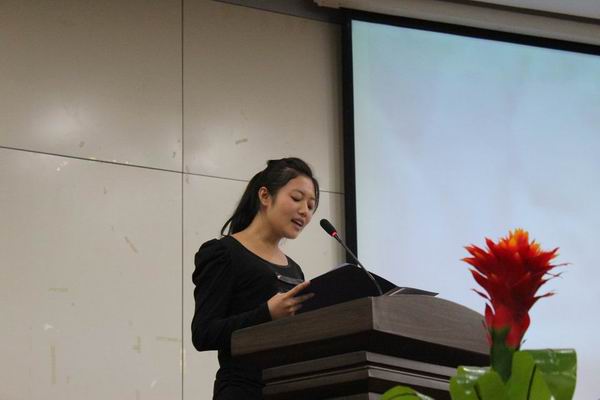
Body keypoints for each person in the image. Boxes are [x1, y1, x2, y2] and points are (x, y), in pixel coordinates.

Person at [191, 157, 319, 399]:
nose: (305, 211)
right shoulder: (224, 253)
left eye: (311, 205)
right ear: (265, 196)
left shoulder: (295, 270)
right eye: (296, 198)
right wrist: (266, 313)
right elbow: (203, 333)